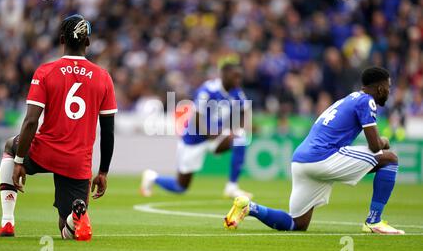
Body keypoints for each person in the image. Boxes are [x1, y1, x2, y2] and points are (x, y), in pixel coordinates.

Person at [224, 66, 405, 235]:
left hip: (302, 161)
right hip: (324, 157)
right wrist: (384, 141)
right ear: (380, 88)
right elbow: (374, 146)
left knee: (297, 224)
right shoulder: (367, 101)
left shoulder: (349, 98)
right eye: (388, 87)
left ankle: (249, 207)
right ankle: (374, 221)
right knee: (389, 159)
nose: (389, 91)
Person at [0, 14, 117, 241]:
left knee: (10, 146)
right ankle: (74, 215)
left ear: (61, 39)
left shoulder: (46, 71)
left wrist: (20, 161)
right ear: (88, 42)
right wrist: (103, 172)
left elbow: (31, 121)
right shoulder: (103, 77)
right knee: (66, 231)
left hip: (46, 150)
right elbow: (108, 132)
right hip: (77, 161)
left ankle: (7, 222)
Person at [140, 63, 253, 199]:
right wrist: (211, 133)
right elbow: (196, 117)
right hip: (194, 139)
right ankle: (152, 177)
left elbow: (244, 112)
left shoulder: (237, 92)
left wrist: (239, 128)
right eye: (234, 77)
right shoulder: (208, 90)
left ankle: (232, 187)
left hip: (216, 136)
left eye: (239, 77)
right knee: (180, 187)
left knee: (240, 139)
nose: (237, 80)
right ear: (223, 75)